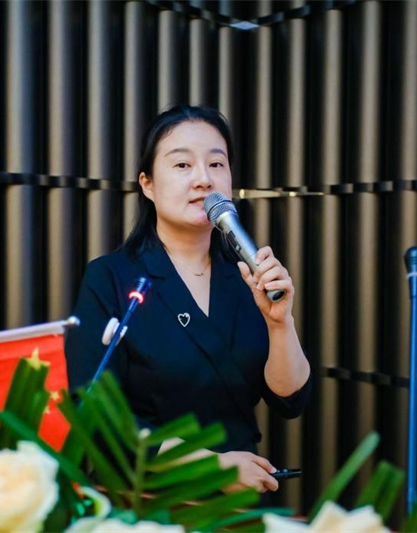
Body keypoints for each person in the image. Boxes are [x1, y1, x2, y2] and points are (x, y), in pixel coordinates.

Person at [65, 105, 312, 495]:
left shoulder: (249, 276)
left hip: (239, 503)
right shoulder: (111, 277)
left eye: (216, 164)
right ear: (147, 184)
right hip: (146, 499)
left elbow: (291, 400)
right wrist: (213, 466)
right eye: (182, 165)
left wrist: (281, 323)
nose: (203, 179)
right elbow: (95, 414)